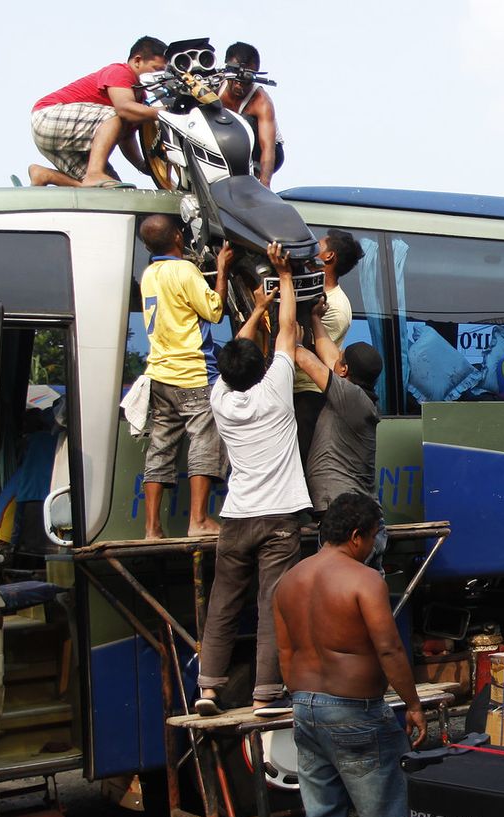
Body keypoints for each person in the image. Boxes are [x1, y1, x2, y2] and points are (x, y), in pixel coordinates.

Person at [273, 491, 438, 817]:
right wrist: (413, 703)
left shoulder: (288, 581)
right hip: (355, 709)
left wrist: (305, 699)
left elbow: (286, 653)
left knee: (322, 804)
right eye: (374, 535)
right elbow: (388, 649)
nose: (376, 544)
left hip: (306, 705)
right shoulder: (365, 580)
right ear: (356, 536)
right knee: (386, 799)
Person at [195, 243, 310, 715]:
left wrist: (254, 309)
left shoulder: (219, 400)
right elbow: (287, 333)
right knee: (271, 606)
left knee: (222, 604)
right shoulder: (278, 393)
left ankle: (207, 690)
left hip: (236, 518)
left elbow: (235, 357)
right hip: (279, 518)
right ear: (258, 368)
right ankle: (266, 694)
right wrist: (282, 279)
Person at [137, 215, 232, 539]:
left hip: (159, 374)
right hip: (192, 372)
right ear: (178, 236)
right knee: (205, 441)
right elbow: (215, 310)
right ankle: (199, 520)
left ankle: (152, 529)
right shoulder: (184, 271)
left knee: (161, 447)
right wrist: (222, 268)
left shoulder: (149, 274)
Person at [293, 298, 385, 566]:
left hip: (350, 524)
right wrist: (315, 320)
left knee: (348, 592)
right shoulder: (356, 393)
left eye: (341, 361)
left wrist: (295, 339)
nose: (337, 359)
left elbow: (307, 360)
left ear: (344, 371)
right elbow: (331, 356)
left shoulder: (349, 396)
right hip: (355, 518)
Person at [29, 37, 166, 188]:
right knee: (116, 115)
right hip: (49, 116)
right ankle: (94, 173)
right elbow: (123, 109)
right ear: (137, 61)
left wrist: (143, 165)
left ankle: (44, 175)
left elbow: (126, 138)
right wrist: (165, 114)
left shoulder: (139, 101)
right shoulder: (120, 72)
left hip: (65, 138)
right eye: (156, 69)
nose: (159, 77)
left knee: (112, 190)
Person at [292, 230, 364, 460]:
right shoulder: (306, 288)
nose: (311, 248)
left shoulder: (336, 306)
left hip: (308, 396)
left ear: (329, 256)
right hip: (292, 390)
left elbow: (312, 351)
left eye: (318, 246)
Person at [218, 42, 282, 188]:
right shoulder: (216, 85)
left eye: (245, 80)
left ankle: (253, 175)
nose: (239, 86)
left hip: (263, 151)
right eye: (235, 79)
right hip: (228, 143)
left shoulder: (261, 101)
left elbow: (268, 147)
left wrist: (265, 186)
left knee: (244, 122)